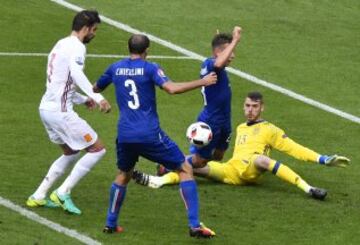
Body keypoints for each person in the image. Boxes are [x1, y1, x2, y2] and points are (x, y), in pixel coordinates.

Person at [93, 34, 218, 238]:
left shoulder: (115, 68)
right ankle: (195, 225)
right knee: (185, 168)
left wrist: (100, 98)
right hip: (149, 134)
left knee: (123, 175)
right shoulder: (150, 68)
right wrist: (202, 81)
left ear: (128, 48)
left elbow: (96, 88)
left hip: (125, 135)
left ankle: (110, 223)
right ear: (147, 50)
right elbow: (172, 89)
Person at [133, 91, 350, 200]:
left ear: (262, 108)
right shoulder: (239, 127)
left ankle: (309, 189)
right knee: (189, 165)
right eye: (247, 106)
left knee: (262, 159)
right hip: (232, 170)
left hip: (253, 169)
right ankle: (157, 180)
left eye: (255, 107)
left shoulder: (270, 129)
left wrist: (322, 159)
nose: (250, 110)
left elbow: (294, 148)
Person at [26, 10, 111, 215]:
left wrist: (83, 99)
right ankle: (63, 192)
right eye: (94, 29)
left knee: (71, 152)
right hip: (61, 113)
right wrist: (98, 97)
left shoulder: (60, 44)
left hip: (46, 108)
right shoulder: (77, 47)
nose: (94, 34)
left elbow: (60, 81)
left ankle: (38, 196)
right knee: (97, 149)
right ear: (86, 28)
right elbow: (76, 74)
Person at [139, 26, 242, 188]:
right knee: (200, 161)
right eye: (230, 51)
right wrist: (235, 40)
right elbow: (219, 61)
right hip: (211, 121)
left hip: (225, 120)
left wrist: (222, 44)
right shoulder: (210, 64)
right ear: (217, 53)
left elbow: (220, 58)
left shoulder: (216, 65)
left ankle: (185, 166)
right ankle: (168, 166)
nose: (233, 55)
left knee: (219, 155)